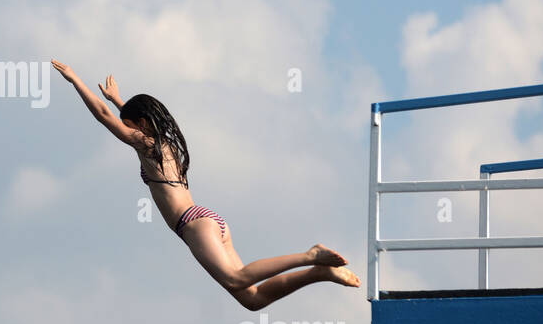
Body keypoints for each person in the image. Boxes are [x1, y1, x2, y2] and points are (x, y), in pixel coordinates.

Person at [51, 60, 361, 310]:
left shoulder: (146, 145)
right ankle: (319, 273)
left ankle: (309, 256)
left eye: (128, 123)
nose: (125, 129)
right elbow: (126, 115)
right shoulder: (164, 144)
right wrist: (119, 99)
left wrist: (75, 79)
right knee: (252, 299)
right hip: (207, 220)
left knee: (236, 278)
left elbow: (106, 117)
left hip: (194, 225)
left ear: (141, 125)